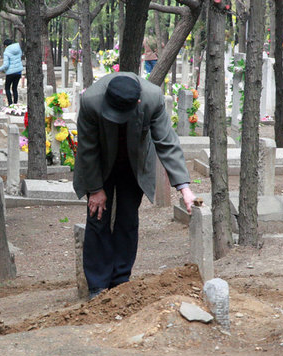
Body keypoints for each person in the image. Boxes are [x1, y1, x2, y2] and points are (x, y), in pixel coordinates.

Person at [73, 72, 196, 299]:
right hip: (99, 161)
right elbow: (87, 149)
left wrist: (184, 188)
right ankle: (97, 287)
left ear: (137, 102)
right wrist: (96, 189)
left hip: (134, 161)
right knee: (97, 216)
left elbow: (167, 142)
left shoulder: (152, 98)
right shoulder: (91, 100)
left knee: (128, 219)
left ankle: (121, 283)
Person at [0, 39, 23, 106]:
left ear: (5, 45)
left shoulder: (6, 52)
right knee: (14, 88)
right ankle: (15, 104)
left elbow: (6, 65)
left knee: (7, 88)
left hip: (10, 73)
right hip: (18, 72)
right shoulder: (18, 49)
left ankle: (10, 104)